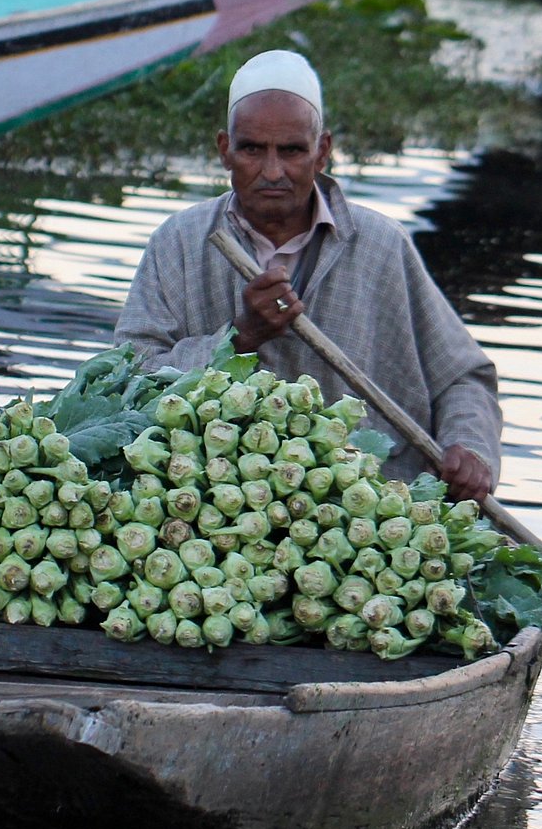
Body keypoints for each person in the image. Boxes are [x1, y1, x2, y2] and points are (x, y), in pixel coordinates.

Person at [113, 49, 501, 502]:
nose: (272, 171)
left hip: (364, 507)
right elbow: (128, 380)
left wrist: (470, 448)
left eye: (292, 151)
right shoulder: (178, 243)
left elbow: (464, 377)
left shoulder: (380, 245)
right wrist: (237, 339)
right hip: (208, 502)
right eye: (253, 149)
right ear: (225, 151)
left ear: (322, 152)